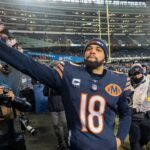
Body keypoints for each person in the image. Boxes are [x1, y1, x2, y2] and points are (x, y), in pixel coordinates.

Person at [0, 27, 131, 150]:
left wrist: (119, 139)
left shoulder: (119, 80)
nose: (92, 51)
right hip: (77, 146)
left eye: (98, 49)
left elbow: (126, 113)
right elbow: (30, 66)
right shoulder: (68, 73)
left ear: (106, 57)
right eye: (89, 48)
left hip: (107, 146)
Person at [0, 83, 32, 150]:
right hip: (2, 142)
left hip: (17, 138)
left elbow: (28, 107)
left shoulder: (12, 100)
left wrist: (14, 99)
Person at [128, 63, 150, 150]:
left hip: (146, 115)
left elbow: (149, 99)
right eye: (135, 73)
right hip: (132, 116)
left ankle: (142, 143)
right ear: (131, 73)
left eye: (139, 73)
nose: (137, 75)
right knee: (134, 142)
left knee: (146, 137)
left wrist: (137, 109)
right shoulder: (127, 83)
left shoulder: (148, 82)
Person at [43, 85, 68, 150]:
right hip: (53, 108)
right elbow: (44, 93)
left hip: (62, 107)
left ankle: (67, 144)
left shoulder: (61, 81)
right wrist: (49, 88)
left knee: (64, 126)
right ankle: (60, 143)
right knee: (56, 126)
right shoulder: (49, 83)